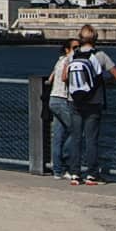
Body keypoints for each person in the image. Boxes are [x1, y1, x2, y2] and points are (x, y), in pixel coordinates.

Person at [67, 25, 116, 185]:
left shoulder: (73, 54)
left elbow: (65, 76)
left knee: (76, 138)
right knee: (91, 140)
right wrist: (106, 81)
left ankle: (75, 174)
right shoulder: (100, 55)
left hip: (74, 101)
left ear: (80, 38)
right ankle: (92, 174)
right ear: (96, 38)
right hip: (93, 101)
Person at [46, 33, 83, 181]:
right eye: (75, 47)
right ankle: (67, 163)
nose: (77, 49)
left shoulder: (59, 60)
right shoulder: (69, 60)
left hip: (53, 99)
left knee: (58, 136)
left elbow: (51, 78)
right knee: (76, 132)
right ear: (67, 49)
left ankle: (57, 170)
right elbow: (66, 77)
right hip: (63, 100)